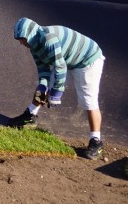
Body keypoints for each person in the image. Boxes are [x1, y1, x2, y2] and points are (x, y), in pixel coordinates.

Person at [7, 17, 106, 160]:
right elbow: (43, 70)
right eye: (20, 40)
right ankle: (30, 115)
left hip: (87, 60)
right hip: (66, 59)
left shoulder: (48, 40)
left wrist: (56, 95)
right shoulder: (34, 45)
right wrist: (43, 86)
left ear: (32, 35)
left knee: (88, 100)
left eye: (23, 39)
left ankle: (96, 141)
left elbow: (60, 67)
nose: (22, 43)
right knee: (43, 86)